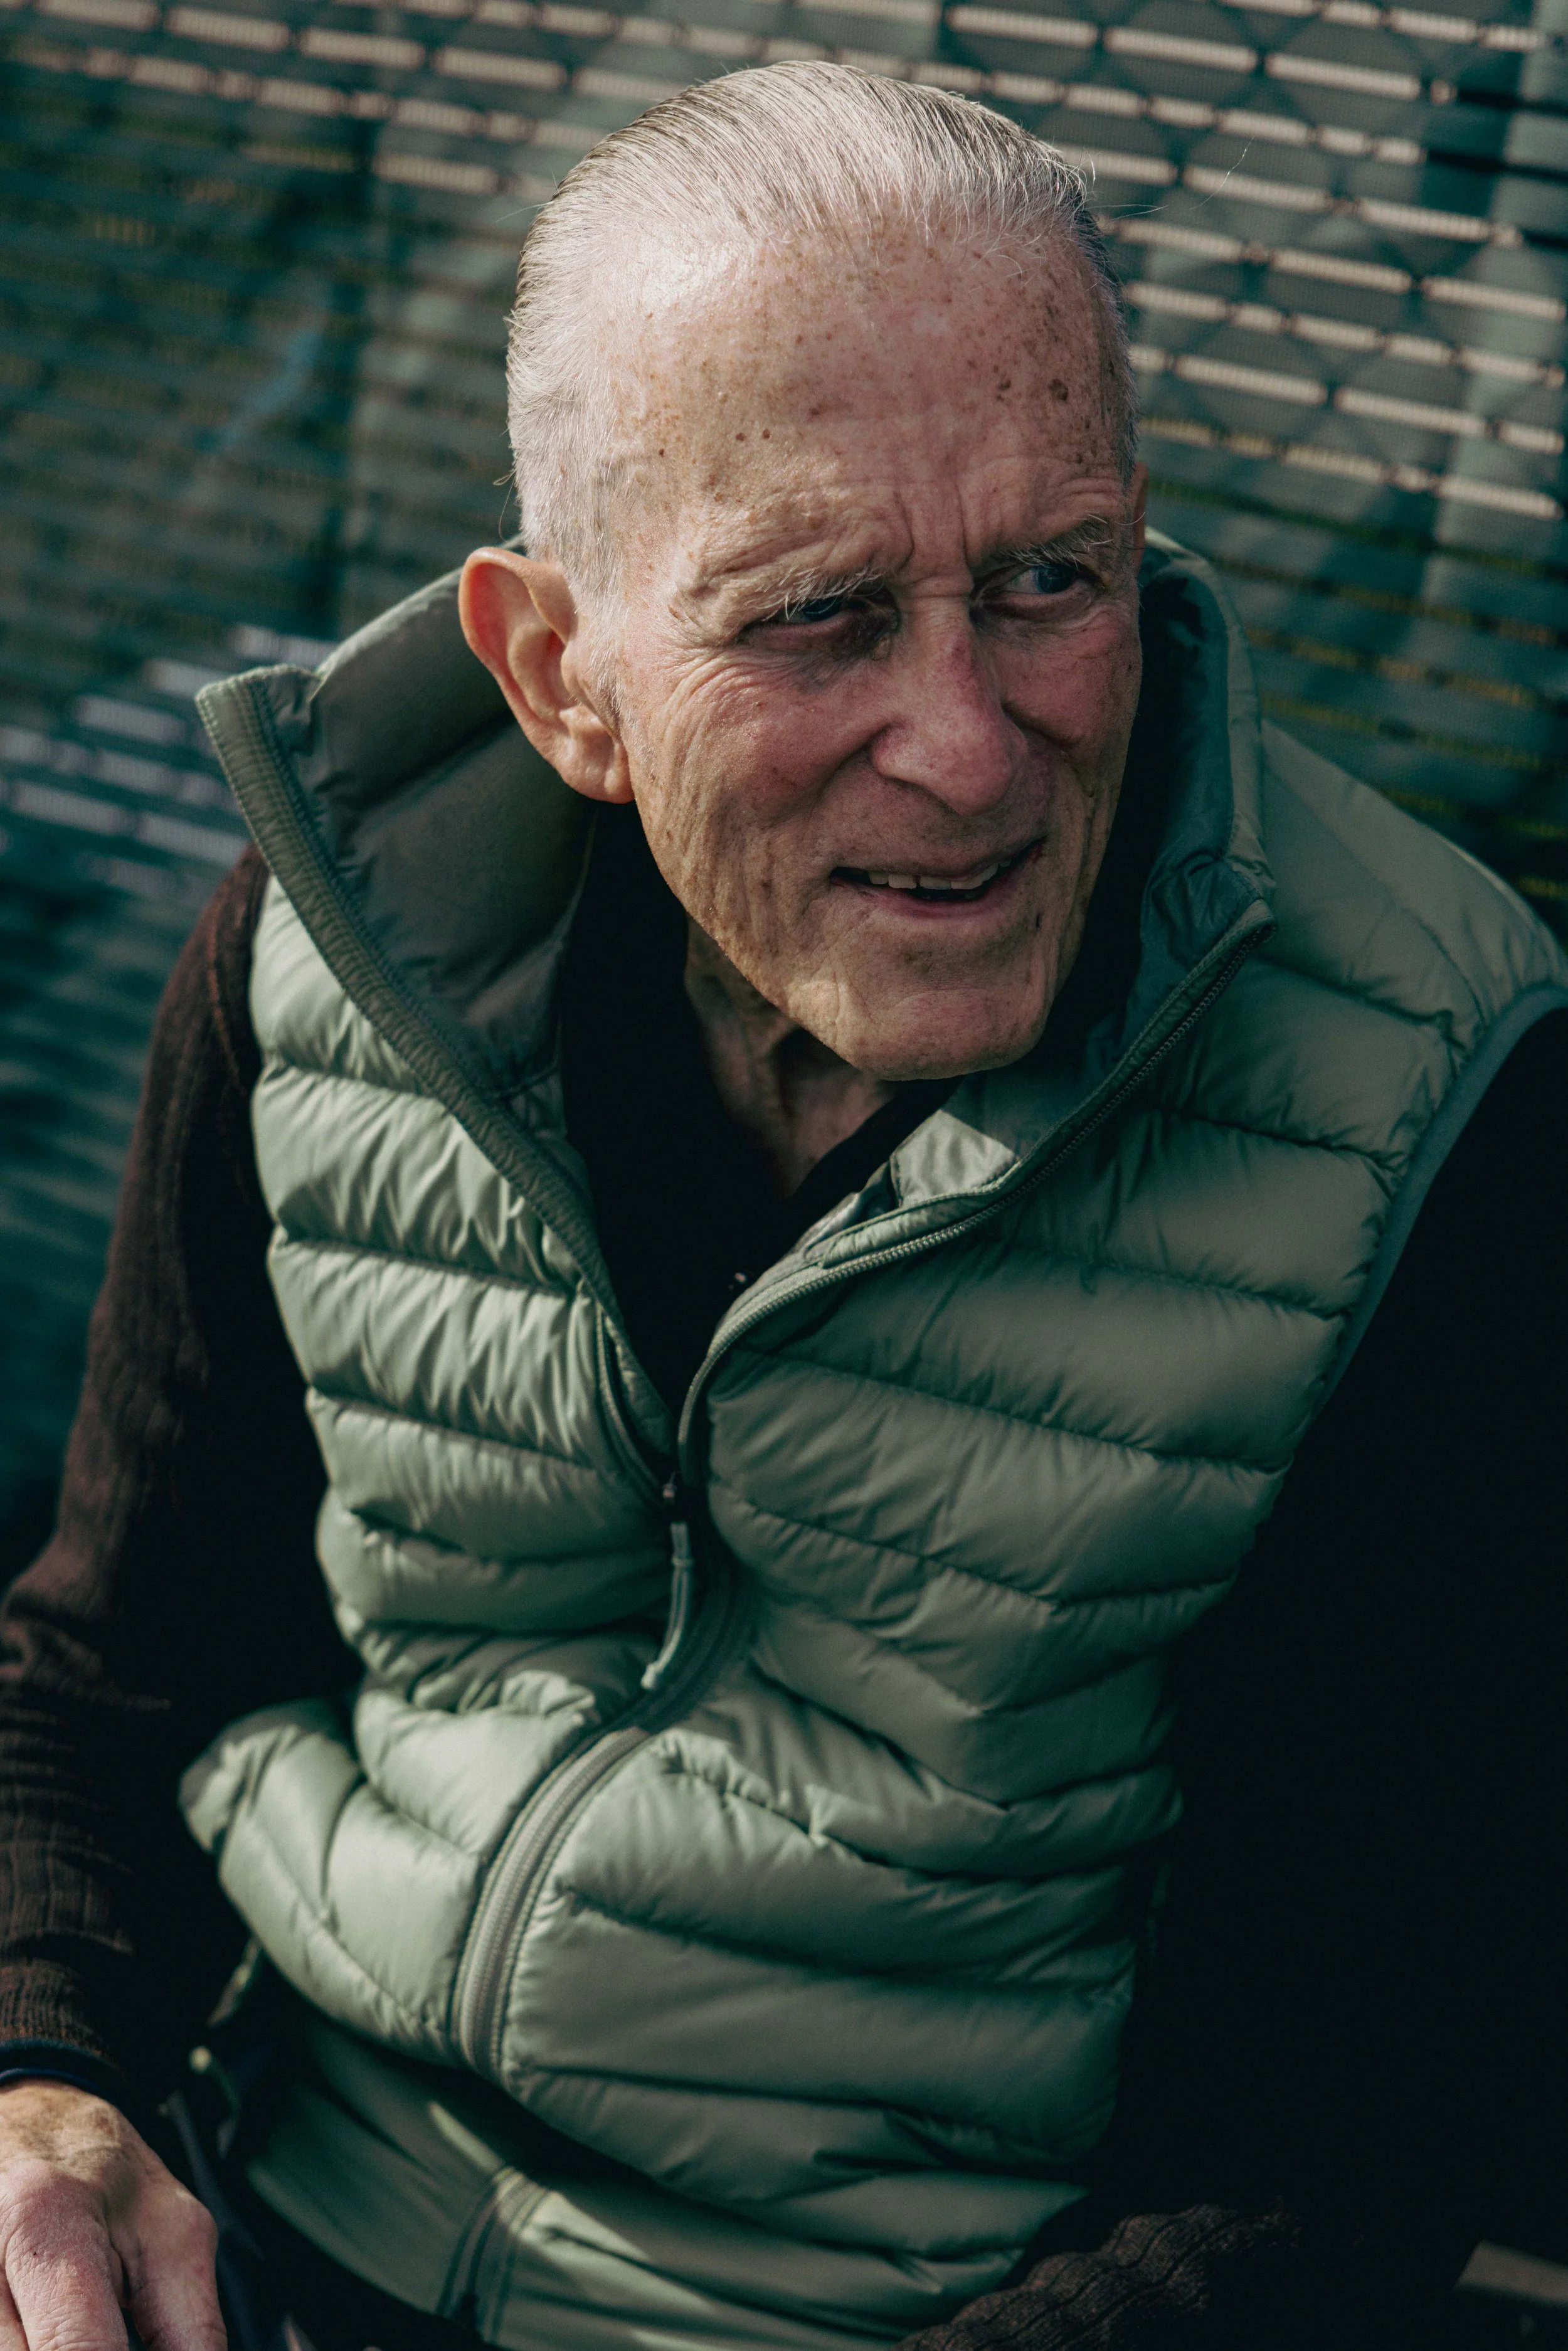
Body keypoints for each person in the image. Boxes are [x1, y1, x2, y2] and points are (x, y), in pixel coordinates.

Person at [1, 60, 1565, 2351]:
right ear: (561, 676)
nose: (966, 735)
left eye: (1054, 577)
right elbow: (112, 1655)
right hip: (275, 2192)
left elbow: (1336, 2140)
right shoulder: (324, 942)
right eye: (820, 619)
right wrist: (49, 2084)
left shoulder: (1429, 1095)